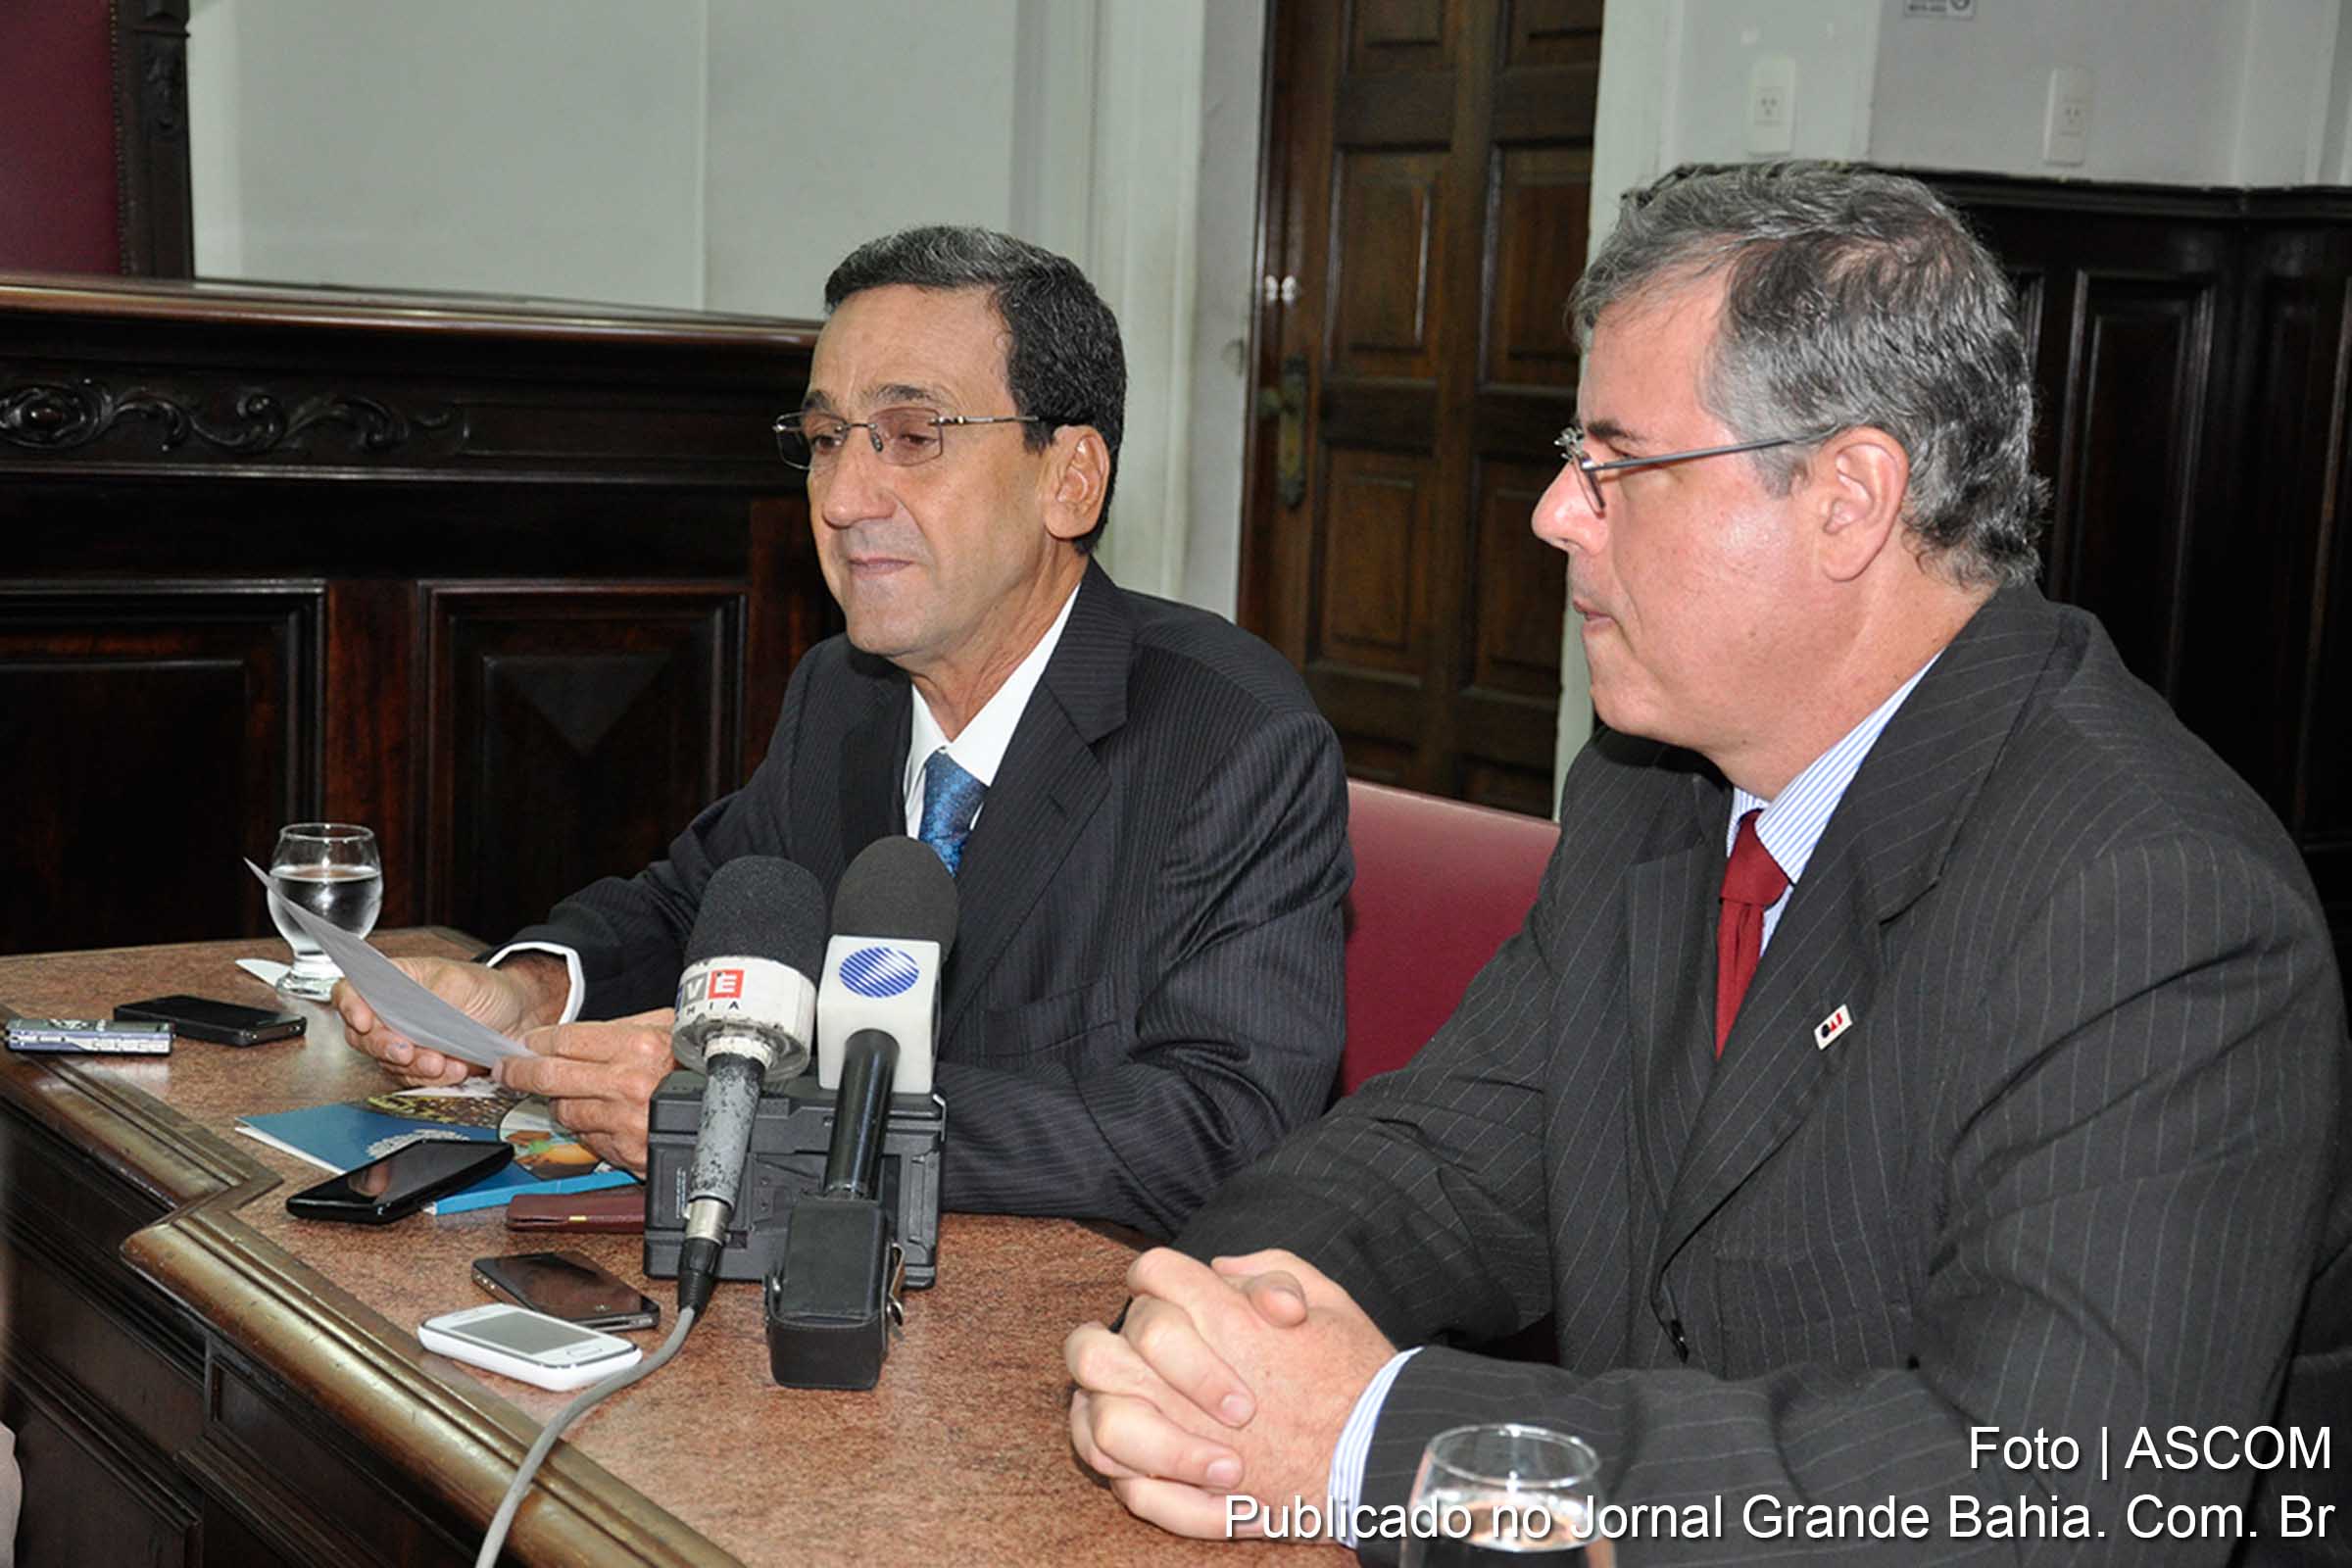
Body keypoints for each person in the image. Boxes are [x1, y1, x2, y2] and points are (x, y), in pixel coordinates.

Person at [1066, 163, 2350, 1563]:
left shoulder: (2156, 901)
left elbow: (2060, 1502)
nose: (1560, 511)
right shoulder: (1651, 792)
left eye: (1618, 464)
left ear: (1850, 497)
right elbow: (1446, 1159)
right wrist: (1215, 1329)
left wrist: (1390, 1442)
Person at [338, 225, 1350, 1235]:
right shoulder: (845, 691)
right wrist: (529, 992)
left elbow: (1220, 1131)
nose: (844, 498)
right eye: (826, 442)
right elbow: (700, 903)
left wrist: (776, 1124)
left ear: (1069, 479)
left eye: (912, 437)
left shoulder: (1230, 739)